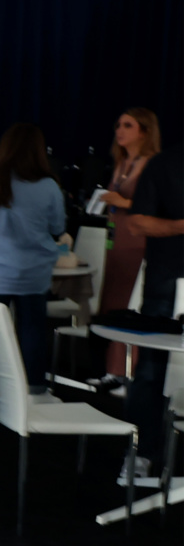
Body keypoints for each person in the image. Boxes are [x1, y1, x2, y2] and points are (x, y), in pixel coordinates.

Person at [0, 124, 66, 407]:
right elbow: (57, 227)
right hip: (34, 272)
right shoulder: (49, 186)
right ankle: (34, 390)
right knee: (32, 329)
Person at [89, 108, 160, 393]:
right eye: (118, 124)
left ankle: (129, 372)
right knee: (113, 304)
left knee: (129, 304)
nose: (120, 130)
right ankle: (114, 371)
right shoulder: (121, 163)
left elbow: (154, 205)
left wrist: (121, 201)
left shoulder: (151, 163)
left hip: (136, 242)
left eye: (127, 125)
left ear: (143, 131)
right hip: (115, 240)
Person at [123, 144, 183, 479]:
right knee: (151, 370)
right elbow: (137, 222)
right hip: (168, 282)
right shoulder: (166, 163)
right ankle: (142, 452)